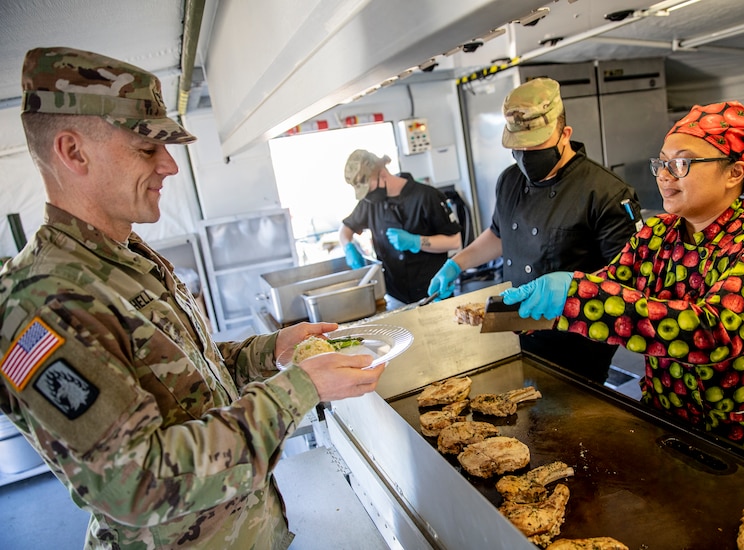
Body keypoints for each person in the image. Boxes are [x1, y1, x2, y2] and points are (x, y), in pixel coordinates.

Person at [0, 46, 385, 549]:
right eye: (146, 149)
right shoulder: (42, 301)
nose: (169, 166)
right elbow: (137, 482)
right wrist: (300, 389)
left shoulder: (124, 256)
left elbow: (190, 377)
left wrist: (271, 352)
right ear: (74, 153)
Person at [501, 100, 744, 475]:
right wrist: (528, 309)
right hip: (670, 433)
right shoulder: (657, 235)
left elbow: (713, 333)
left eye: (681, 163)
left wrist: (574, 296)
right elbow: (607, 287)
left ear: (735, 173)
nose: (664, 175)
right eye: (661, 162)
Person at [428, 78, 642, 384]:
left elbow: (628, 279)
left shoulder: (605, 192)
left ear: (565, 134)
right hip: (515, 332)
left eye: (536, 145)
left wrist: (572, 289)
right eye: (519, 147)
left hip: (575, 344)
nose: (526, 154)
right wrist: (456, 264)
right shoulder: (509, 180)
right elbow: (499, 235)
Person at [339, 149, 462, 304]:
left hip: (433, 293)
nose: (368, 196)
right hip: (394, 297)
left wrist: (417, 241)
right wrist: (348, 247)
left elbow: (454, 241)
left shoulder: (427, 196)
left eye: (369, 189)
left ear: (382, 173)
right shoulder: (369, 203)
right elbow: (345, 230)